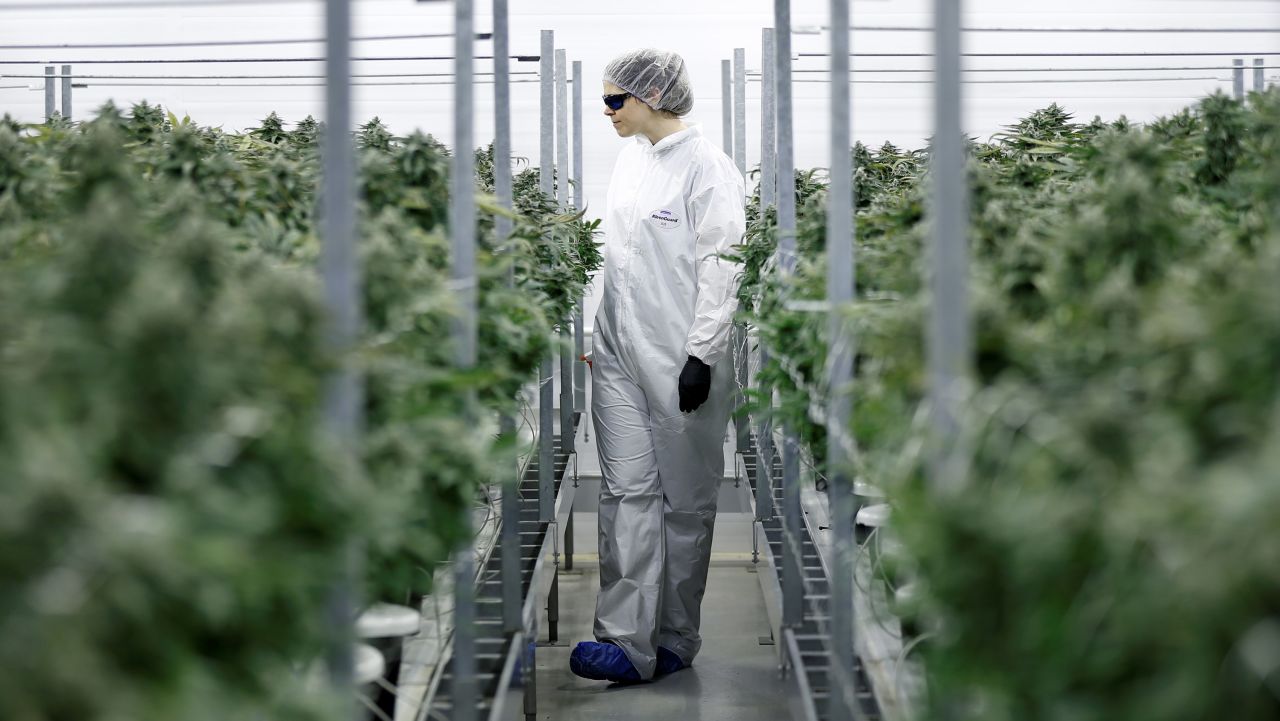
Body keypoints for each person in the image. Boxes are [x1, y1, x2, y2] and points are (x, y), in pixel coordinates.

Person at [569, 48, 746, 684]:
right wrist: (601, 328)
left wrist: (702, 353)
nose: (608, 109)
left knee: (685, 502)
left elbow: (721, 266)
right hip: (618, 351)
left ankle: (673, 637)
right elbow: (620, 258)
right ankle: (622, 639)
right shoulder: (630, 162)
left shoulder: (708, 170)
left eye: (617, 99)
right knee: (625, 493)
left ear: (653, 97)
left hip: (681, 358)